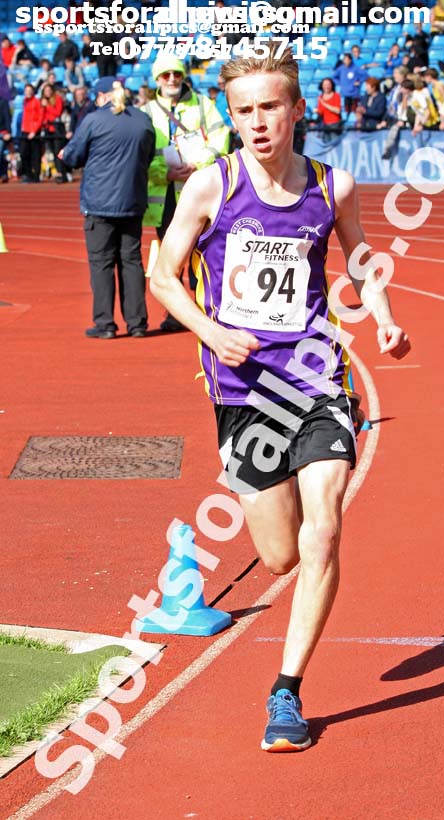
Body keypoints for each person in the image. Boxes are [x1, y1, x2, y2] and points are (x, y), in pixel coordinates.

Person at [150, 46, 410, 752]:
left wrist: (381, 316)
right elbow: (162, 274)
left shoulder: (333, 186)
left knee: (323, 527)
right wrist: (210, 330)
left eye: (270, 107)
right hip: (241, 393)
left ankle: (286, 692)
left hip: (318, 378)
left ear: (297, 108)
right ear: (231, 118)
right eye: (244, 111)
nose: (258, 122)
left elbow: (360, 259)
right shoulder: (211, 185)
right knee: (277, 558)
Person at [141, 52, 230, 332]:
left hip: (198, 191)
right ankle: (176, 314)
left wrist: (197, 164)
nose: (172, 79)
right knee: (172, 254)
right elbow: (142, 153)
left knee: (202, 252)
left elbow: (221, 139)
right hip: (166, 193)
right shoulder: (147, 111)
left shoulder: (203, 105)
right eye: (166, 75)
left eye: (176, 74)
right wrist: (163, 172)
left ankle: (206, 310)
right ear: (157, 79)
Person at [61, 77, 155, 339]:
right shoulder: (143, 120)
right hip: (132, 202)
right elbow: (147, 156)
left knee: (101, 263)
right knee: (132, 262)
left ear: (101, 96)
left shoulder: (93, 120)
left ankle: (105, 324)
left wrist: (66, 155)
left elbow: (73, 156)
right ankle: (137, 323)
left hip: (100, 204)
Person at [40, 82, 68, 183]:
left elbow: (57, 113)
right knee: (51, 152)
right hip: (47, 129)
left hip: (56, 129)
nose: (47, 92)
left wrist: (47, 106)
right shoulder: (42, 101)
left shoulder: (57, 99)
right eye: (45, 91)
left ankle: (62, 174)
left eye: (49, 90)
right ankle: (57, 173)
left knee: (58, 152)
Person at [20, 83, 43, 183]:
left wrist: (34, 131)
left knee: (35, 154)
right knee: (24, 153)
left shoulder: (37, 102)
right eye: (26, 90)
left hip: (34, 132)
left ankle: (36, 176)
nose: (28, 92)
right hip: (25, 131)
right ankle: (28, 174)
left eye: (30, 90)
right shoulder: (25, 101)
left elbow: (40, 117)